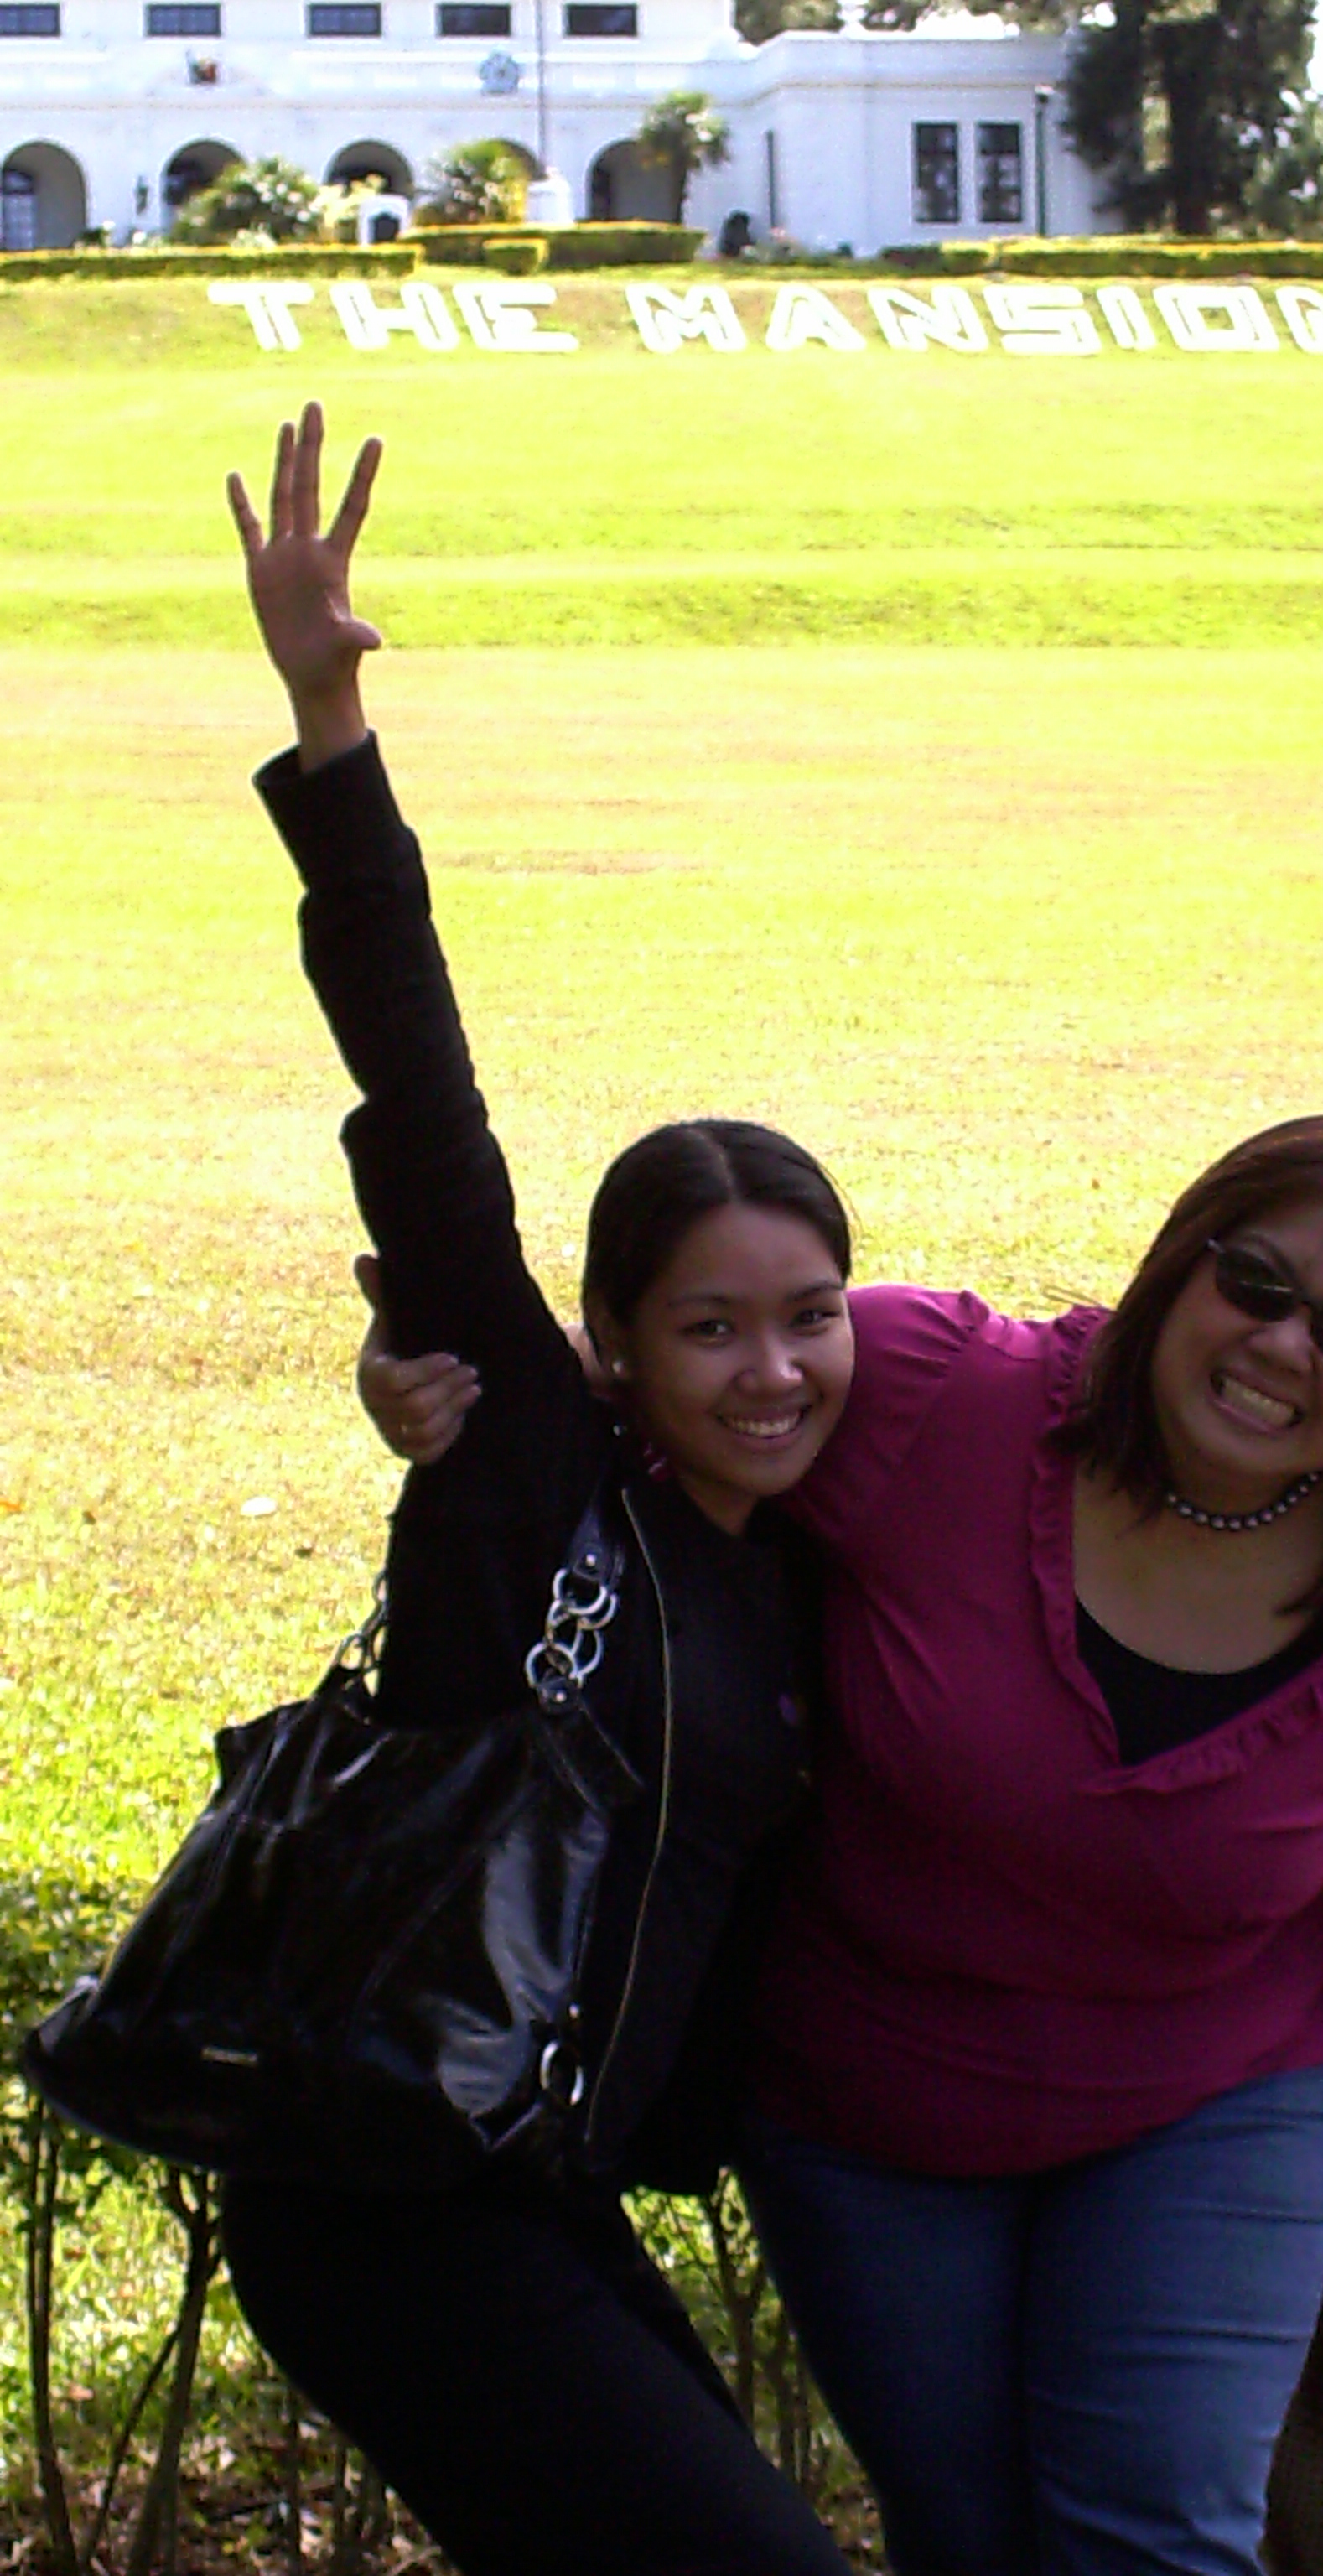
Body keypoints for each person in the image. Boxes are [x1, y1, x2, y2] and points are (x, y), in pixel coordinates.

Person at [371, 1144, 1323, 2576]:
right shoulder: (937, 1396)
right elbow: (687, 1373)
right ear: (1184, 1263)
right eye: (1258, 1285)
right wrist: (444, 1386)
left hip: (1211, 2102)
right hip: (872, 2110)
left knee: (1155, 2533)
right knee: (969, 2541)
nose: (1285, 1348)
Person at [215, 402, 859, 2576]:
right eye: (711, 1327)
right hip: (379, 2190)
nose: (773, 1373)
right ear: (610, 1343)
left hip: (537, 2191)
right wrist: (331, 723)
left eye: (811, 1316)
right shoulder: (532, 1480)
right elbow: (421, 1086)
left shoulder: (806, 1563)